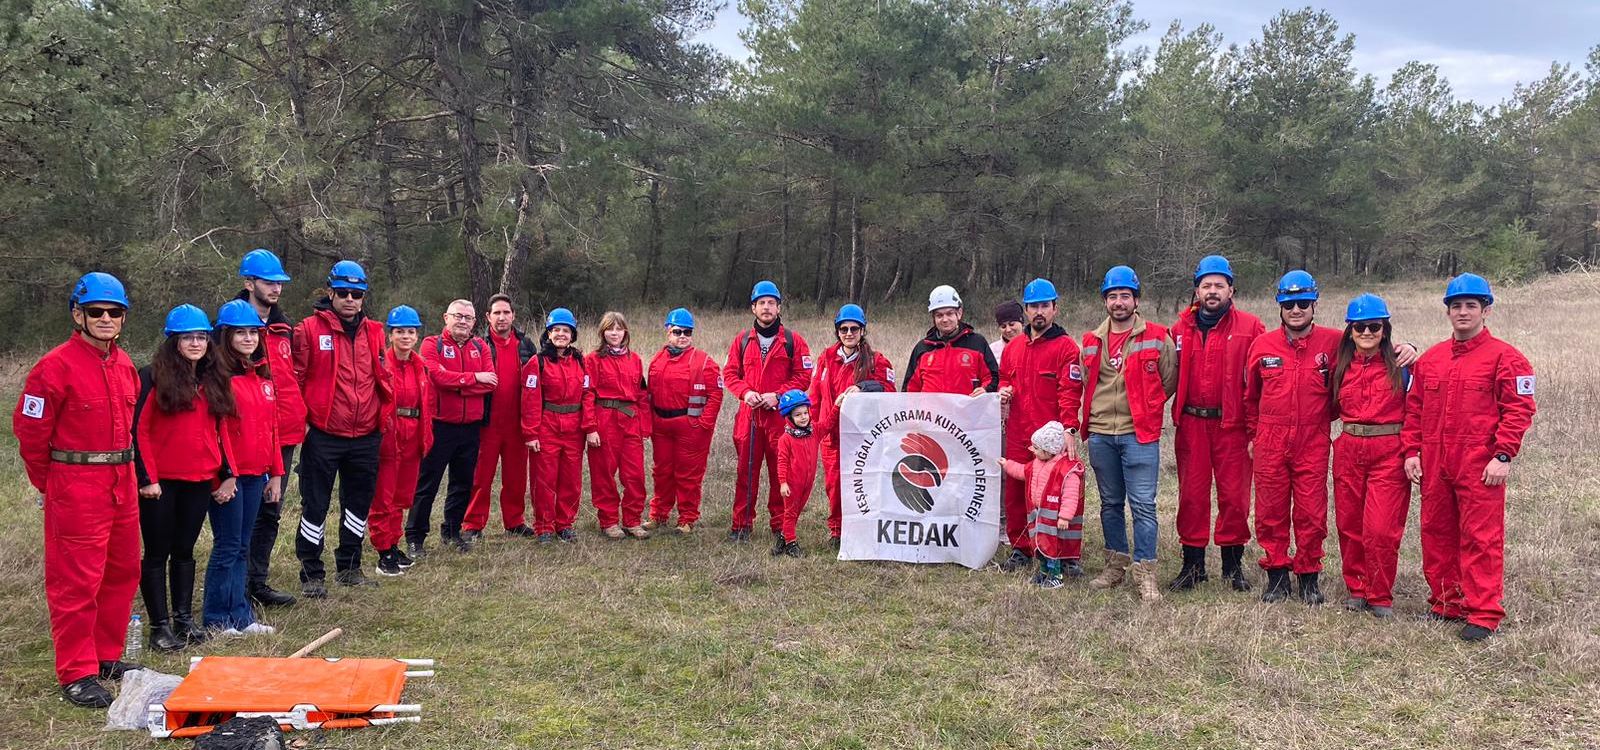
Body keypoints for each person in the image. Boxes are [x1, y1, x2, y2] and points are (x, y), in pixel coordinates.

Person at [14, 273, 142, 707]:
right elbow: (31, 435)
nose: (106, 319)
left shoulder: (124, 365)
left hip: (121, 482)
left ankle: (106, 656)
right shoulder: (54, 367)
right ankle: (77, 671)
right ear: (77, 314)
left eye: (114, 312)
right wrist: (52, 486)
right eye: (96, 312)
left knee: (122, 572)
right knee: (76, 582)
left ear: (123, 317)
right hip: (76, 485)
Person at [1402, 274, 1536, 642]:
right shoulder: (1430, 360)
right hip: (1435, 462)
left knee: (1481, 538)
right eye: (1456, 306)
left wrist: (1504, 454)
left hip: (1480, 465)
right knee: (1436, 531)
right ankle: (1446, 602)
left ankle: (1483, 612)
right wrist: (1412, 451)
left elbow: (1519, 409)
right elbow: (1414, 410)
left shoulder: (1507, 358)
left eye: (1471, 306)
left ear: (1485, 310)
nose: (1463, 312)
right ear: (1448, 311)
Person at [132, 305, 232, 652]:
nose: (195, 343)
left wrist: (224, 474)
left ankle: (183, 621)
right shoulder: (151, 376)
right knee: (157, 553)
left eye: (201, 337)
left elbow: (219, 430)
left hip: (198, 480)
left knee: (185, 551)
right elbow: (139, 430)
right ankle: (159, 628)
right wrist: (147, 478)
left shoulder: (211, 379)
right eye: (188, 337)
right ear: (174, 341)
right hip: (160, 484)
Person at [292, 260, 393, 598]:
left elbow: (380, 377)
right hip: (324, 434)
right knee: (315, 505)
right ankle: (312, 573)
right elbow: (297, 379)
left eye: (358, 294)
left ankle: (350, 567)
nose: (351, 299)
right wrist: (303, 424)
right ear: (331, 291)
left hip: (366, 434)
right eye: (345, 293)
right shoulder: (308, 329)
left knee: (357, 505)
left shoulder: (375, 332)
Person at [1245, 270, 1343, 605]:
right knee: (1270, 510)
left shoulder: (1334, 342)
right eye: (1289, 304)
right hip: (1270, 439)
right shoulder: (1262, 345)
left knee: (1311, 512)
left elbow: (1372, 349)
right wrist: (1252, 435)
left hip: (1312, 440)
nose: (1296, 309)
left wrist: (1407, 348)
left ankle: (1308, 577)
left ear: (1315, 304)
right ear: (1280, 306)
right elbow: (1250, 397)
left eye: (1303, 303)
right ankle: (1276, 575)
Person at [1078, 267, 1176, 602]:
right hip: (1102, 433)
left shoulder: (1158, 336)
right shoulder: (1091, 340)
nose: (1119, 303)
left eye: (1125, 296)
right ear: (1105, 300)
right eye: (1112, 296)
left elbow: (1168, 382)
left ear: (1136, 299)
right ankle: (1115, 565)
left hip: (1139, 434)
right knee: (1109, 503)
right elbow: (1088, 383)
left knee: (1144, 506)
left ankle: (1145, 572)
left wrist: (1145, 409)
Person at [1169, 255, 1264, 593]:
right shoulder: (1179, 329)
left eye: (1218, 285)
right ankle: (1192, 566)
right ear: (1196, 290)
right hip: (1192, 424)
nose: (1212, 291)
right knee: (1191, 496)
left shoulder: (1251, 328)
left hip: (1232, 426)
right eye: (1206, 285)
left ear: (1231, 289)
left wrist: (1256, 429)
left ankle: (1232, 566)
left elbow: (1262, 380)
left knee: (1235, 498)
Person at [207, 300, 285, 637]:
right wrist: (225, 476)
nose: (249, 338)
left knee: (242, 545)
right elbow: (214, 434)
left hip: (257, 475)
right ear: (226, 336)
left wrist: (277, 472)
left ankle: (241, 615)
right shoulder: (218, 379)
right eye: (241, 332)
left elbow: (273, 428)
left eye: (254, 332)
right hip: (229, 478)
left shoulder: (262, 376)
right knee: (227, 545)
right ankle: (216, 617)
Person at [1330, 294, 1410, 618]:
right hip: (1349, 447)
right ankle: (1356, 588)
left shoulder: (1402, 365)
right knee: (1349, 524)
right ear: (1350, 330)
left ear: (1384, 329)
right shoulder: (1340, 367)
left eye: (1374, 326)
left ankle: (1380, 593)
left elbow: (1417, 409)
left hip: (1388, 451)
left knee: (1380, 528)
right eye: (1360, 326)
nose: (1367, 332)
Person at [997, 278, 1082, 574]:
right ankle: (1021, 548)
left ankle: (1065, 555)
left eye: (1044, 306)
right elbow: (1005, 379)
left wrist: (1069, 429)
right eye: (1033, 306)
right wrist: (1004, 390)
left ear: (1055, 308)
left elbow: (1070, 392)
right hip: (1020, 432)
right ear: (1026, 311)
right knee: (1016, 492)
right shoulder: (1013, 347)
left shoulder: (1066, 347)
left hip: (1053, 436)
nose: (1039, 312)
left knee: (1058, 494)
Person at [235, 249, 304, 610]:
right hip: (246, 433)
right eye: (268, 282)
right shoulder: (231, 327)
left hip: (285, 432)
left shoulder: (284, 329)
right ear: (249, 283)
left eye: (279, 282)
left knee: (271, 510)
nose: (275, 288)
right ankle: (235, 586)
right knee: (242, 513)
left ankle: (257, 581)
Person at [724, 281, 813, 543]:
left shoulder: (793, 341)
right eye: (761, 303)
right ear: (753, 308)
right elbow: (730, 374)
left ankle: (780, 526)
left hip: (779, 418)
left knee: (781, 473)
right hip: (749, 418)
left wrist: (778, 395)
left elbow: (803, 376)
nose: (766, 307)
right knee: (745, 473)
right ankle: (741, 526)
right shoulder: (741, 341)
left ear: (778, 307)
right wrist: (745, 393)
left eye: (771, 303)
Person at [408, 300, 495, 553]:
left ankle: (452, 531)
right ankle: (415, 537)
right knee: (428, 483)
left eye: (468, 318)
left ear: (475, 322)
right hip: (440, 426)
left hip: (470, 428)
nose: (463, 322)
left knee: (462, 482)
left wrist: (457, 384)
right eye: (458, 316)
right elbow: (436, 376)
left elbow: (491, 382)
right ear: (446, 317)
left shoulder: (480, 346)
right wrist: (473, 379)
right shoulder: (431, 344)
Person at [808, 304, 895, 548]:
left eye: (854, 329)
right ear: (837, 331)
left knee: (863, 484)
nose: (848, 333)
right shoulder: (825, 359)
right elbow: (815, 396)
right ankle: (837, 531)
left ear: (862, 330)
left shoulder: (877, 361)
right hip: (831, 436)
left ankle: (864, 528)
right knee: (834, 485)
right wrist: (813, 429)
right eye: (843, 329)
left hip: (862, 437)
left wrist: (864, 386)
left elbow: (890, 391)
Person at [463, 294, 537, 541]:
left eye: (506, 312)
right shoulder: (479, 346)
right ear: (488, 317)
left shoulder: (526, 345)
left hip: (518, 423)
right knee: (481, 476)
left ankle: (515, 521)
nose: (502, 317)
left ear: (513, 315)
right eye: (497, 313)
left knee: (516, 477)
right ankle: (473, 524)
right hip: (488, 423)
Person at [645, 308, 723, 534]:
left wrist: (703, 424)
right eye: (677, 331)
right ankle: (658, 514)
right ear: (668, 331)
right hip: (661, 426)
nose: (682, 336)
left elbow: (716, 394)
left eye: (687, 332)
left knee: (688, 474)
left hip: (690, 428)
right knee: (661, 472)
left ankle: (687, 518)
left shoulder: (704, 361)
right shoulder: (658, 360)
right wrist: (650, 424)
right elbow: (649, 393)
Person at [371, 306, 434, 574]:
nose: (406, 336)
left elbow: (426, 403)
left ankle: (393, 544)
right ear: (390, 334)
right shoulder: (383, 363)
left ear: (417, 335)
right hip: (389, 434)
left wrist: (425, 436)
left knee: (401, 496)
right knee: (383, 496)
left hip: (412, 434)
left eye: (410, 331)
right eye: (400, 332)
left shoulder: (420, 366)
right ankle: (383, 550)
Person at [522, 308, 591, 543]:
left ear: (572, 334)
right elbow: (530, 400)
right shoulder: (537, 362)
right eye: (556, 330)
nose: (561, 334)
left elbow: (586, 394)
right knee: (544, 480)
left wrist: (587, 426)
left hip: (573, 428)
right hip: (547, 426)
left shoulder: (581, 361)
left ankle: (565, 524)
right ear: (549, 333)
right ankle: (544, 527)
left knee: (571, 480)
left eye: (566, 330)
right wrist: (531, 433)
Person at [585, 312, 652, 539]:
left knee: (635, 474)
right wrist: (591, 428)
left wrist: (645, 427)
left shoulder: (635, 360)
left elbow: (642, 395)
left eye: (619, 328)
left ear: (625, 332)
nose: (615, 333)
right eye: (610, 329)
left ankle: (632, 520)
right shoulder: (593, 360)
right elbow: (587, 394)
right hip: (604, 418)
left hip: (631, 420)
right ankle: (609, 521)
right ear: (603, 332)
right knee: (604, 473)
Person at [998, 421, 1085, 590]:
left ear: (1049, 450)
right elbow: (1022, 471)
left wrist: (1064, 517)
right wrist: (1007, 464)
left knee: (1053, 548)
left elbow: (1071, 496)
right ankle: (1044, 573)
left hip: (1055, 519)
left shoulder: (1067, 470)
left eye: (1036, 448)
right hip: (1040, 516)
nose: (1033, 450)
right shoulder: (1037, 463)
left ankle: (1055, 576)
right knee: (1042, 547)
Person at [904, 284, 998, 395]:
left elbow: (993, 378)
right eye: (939, 315)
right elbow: (909, 390)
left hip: (966, 411)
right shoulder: (922, 348)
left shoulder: (977, 343)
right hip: (931, 412)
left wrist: (985, 389)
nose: (945, 319)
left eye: (949, 314)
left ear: (959, 313)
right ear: (933, 318)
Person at [774, 389, 818, 558]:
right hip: (792, 483)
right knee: (791, 511)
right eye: (798, 415)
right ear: (790, 417)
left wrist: (837, 406)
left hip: (808, 482)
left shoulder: (814, 432)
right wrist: (783, 482)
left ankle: (782, 539)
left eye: (805, 413)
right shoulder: (786, 439)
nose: (803, 417)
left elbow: (829, 423)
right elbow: (782, 462)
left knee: (797, 510)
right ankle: (791, 543)